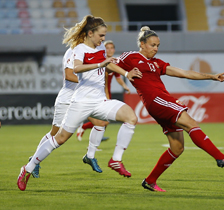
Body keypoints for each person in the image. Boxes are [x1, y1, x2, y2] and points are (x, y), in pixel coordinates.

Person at [17, 15, 142, 191]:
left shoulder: (99, 48)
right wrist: (100, 63)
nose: (103, 39)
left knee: (131, 117)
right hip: (81, 102)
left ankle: (115, 160)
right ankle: (27, 168)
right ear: (90, 33)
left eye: (104, 35)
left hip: (99, 101)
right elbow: (76, 68)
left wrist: (126, 73)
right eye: (101, 35)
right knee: (59, 138)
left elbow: (107, 65)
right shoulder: (79, 49)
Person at [116, 26, 224, 192]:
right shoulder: (130, 57)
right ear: (142, 44)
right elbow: (109, 64)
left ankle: (150, 181)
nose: (155, 49)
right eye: (152, 45)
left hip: (161, 101)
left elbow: (183, 73)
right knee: (190, 122)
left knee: (177, 148)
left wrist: (211, 76)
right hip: (156, 100)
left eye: (157, 45)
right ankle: (220, 158)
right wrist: (126, 74)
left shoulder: (157, 63)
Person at [25, 47, 111, 178]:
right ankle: (35, 160)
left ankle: (90, 155)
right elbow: (69, 75)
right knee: (55, 134)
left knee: (101, 122)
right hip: (68, 98)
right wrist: (88, 81)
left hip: (83, 97)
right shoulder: (73, 51)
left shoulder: (92, 51)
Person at [76, 40, 130, 141]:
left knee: (104, 120)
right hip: (99, 92)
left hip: (106, 92)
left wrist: (125, 86)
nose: (110, 50)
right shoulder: (101, 61)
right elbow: (103, 80)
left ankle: (95, 138)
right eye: (107, 48)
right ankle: (86, 130)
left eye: (111, 48)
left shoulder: (114, 63)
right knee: (105, 120)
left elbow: (118, 77)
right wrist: (106, 97)